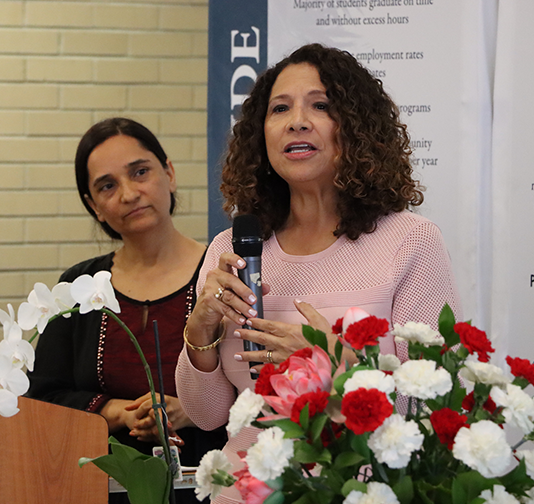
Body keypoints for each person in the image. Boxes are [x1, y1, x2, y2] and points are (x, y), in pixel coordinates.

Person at [175, 44, 461, 503]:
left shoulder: (410, 242)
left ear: (357, 129)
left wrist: (332, 362)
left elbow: (434, 405)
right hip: (247, 490)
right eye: (280, 108)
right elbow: (206, 415)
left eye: (321, 105)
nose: (297, 121)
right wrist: (199, 333)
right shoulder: (231, 249)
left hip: (362, 489)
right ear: (260, 135)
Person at [27, 117, 227, 504]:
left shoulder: (219, 275)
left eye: (140, 172)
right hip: (101, 492)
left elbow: (261, 389)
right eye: (107, 185)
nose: (129, 193)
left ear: (168, 173)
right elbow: (42, 398)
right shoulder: (78, 288)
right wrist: (119, 412)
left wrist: (195, 407)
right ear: (94, 206)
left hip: (215, 488)